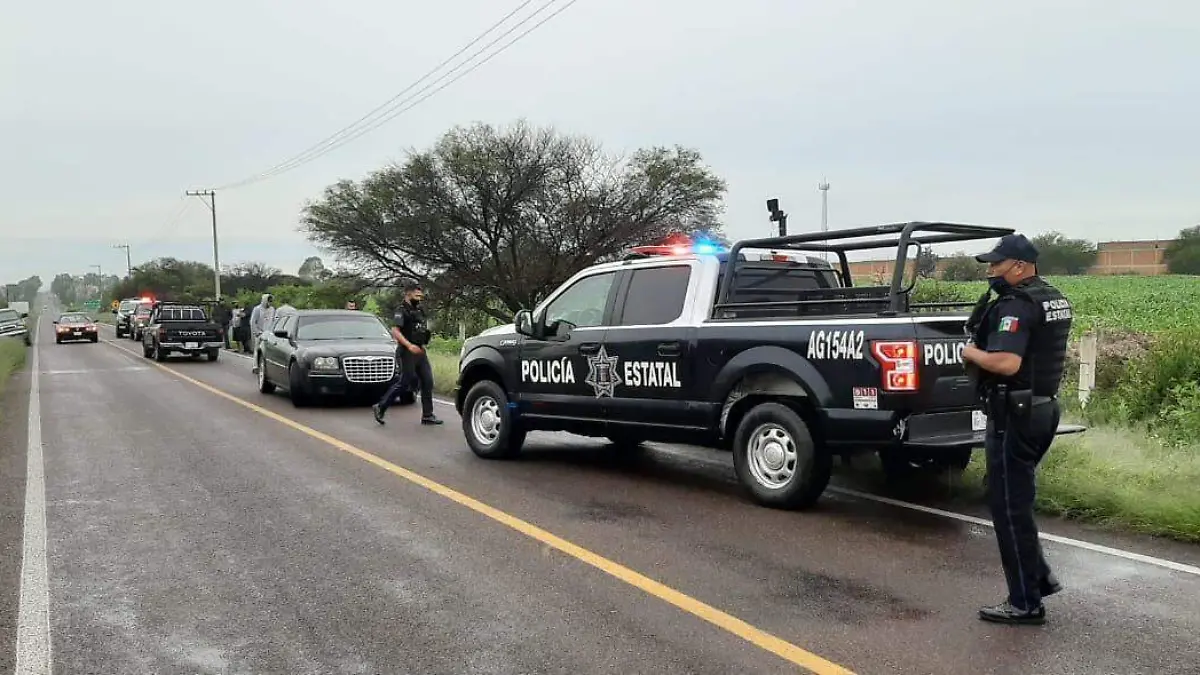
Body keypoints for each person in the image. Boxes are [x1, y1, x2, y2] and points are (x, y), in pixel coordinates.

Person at [962, 233, 1073, 626]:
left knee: (1009, 509)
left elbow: (1007, 363)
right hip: (1042, 409)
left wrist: (971, 353)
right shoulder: (1052, 296)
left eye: (997, 265)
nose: (991, 271)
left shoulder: (1016, 305)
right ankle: (1038, 578)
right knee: (1014, 500)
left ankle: (1025, 602)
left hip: (1016, 416)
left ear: (1021, 266)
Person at [373, 281, 442, 426]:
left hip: (420, 351)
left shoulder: (419, 310)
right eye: (417, 293)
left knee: (427, 382)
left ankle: (428, 415)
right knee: (405, 383)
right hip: (406, 351)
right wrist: (409, 345)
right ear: (408, 293)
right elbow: (395, 331)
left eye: (420, 294)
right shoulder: (401, 310)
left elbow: (421, 328)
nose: (420, 296)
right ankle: (381, 406)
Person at [249, 293, 276, 372]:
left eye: (271, 301)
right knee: (258, 350)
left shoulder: (272, 309)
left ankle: (267, 368)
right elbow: (253, 321)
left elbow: (274, 320)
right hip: (260, 333)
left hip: (269, 333)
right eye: (268, 301)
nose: (270, 303)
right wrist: (256, 332)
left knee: (268, 351)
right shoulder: (257, 309)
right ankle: (255, 366)